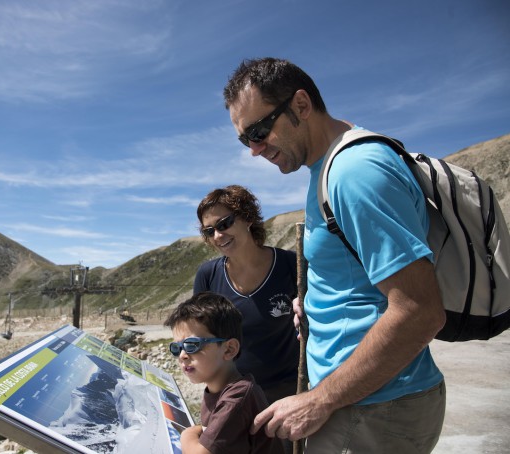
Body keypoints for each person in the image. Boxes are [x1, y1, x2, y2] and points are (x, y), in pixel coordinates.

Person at [223, 57, 446, 453]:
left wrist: (319, 400)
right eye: (245, 140)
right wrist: (315, 301)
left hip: (373, 408)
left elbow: (418, 310)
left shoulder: (355, 172)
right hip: (360, 402)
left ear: (301, 105)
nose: (255, 150)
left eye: (259, 130)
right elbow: (358, 277)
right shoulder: (324, 170)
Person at [194, 185, 298, 406]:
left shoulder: (291, 264)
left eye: (224, 224)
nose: (218, 235)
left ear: (248, 218)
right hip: (230, 395)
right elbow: (197, 336)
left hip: (286, 396)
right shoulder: (208, 275)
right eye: (209, 231)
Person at [164, 291, 279, 454]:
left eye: (192, 345)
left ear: (229, 349)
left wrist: (187, 433)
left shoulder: (236, 399)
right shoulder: (220, 389)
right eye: (176, 348)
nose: (182, 355)